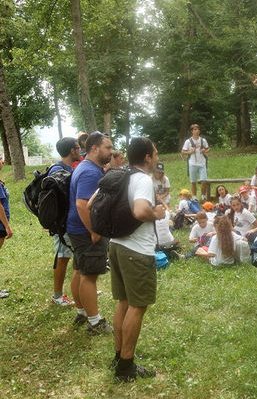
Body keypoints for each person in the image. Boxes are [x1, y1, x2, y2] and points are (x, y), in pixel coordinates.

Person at [104, 137, 165, 381]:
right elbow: (140, 211)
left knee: (124, 303)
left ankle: (119, 356)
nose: (157, 157)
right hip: (136, 251)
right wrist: (156, 213)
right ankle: (126, 366)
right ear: (147, 157)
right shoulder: (141, 179)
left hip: (117, 245)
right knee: (137, 307)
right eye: (156, 153)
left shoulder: (121, 174)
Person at [67, 131, 113, 334]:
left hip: (77, 230)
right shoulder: (90, 172)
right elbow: (81, 204)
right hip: (86, 232)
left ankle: (82, 312)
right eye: (108, 148)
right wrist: (94, 231)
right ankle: (95, 323)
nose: (110, 151)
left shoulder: (86, 167)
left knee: (79, 270)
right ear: (94, 148)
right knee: (89, 275)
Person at [49, 137, 81, 306]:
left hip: (69, 222)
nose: (80, 150)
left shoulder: (67, 169)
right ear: (71, 150)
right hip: (62, 224)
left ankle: (80, 290)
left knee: (75, 256)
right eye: (78, 147)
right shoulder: (58, 170)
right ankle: (57, 296)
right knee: (62, 258)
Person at [181, 124, 210, 200]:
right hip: (192, 163)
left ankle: (203, 197)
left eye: (198, 129)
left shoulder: (203, 140)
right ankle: (195, 198)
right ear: (192, 131)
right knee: (193, 181)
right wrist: (190, 151)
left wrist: (204, 151)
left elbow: (208, 149)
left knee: (204, 180)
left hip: (202, 163)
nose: (197, 131)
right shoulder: (188, 141)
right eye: (195, 129)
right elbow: (183, 151)